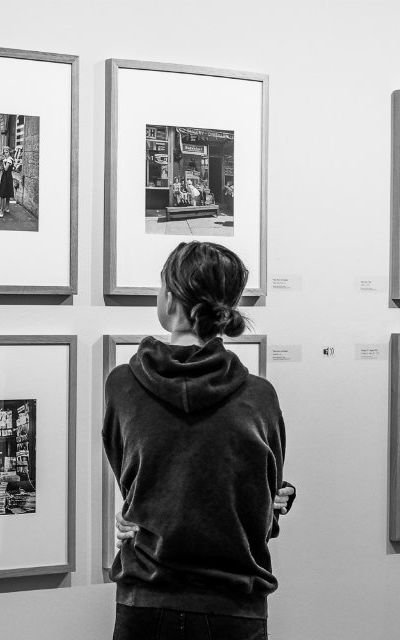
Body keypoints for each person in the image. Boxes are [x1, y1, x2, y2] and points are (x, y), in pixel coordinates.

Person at [103, 241, 295, 640]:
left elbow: (133, 482)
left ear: (171, 298)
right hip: (234, 607)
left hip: (146, 601)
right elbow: (264, 510)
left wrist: (139, 513)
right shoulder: (260, 396)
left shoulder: (123, 385)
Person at [0, 146, 16, 217]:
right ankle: (7, 208)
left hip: (7, 177)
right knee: (6, 192)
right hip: (6, 177)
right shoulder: (6, 159)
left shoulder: (9, 159)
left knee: (3, 193)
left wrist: (3, 162)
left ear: (9, 152)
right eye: (4, 152)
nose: (5, 153)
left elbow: (5, 169)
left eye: (7, 152)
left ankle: (1, 210)